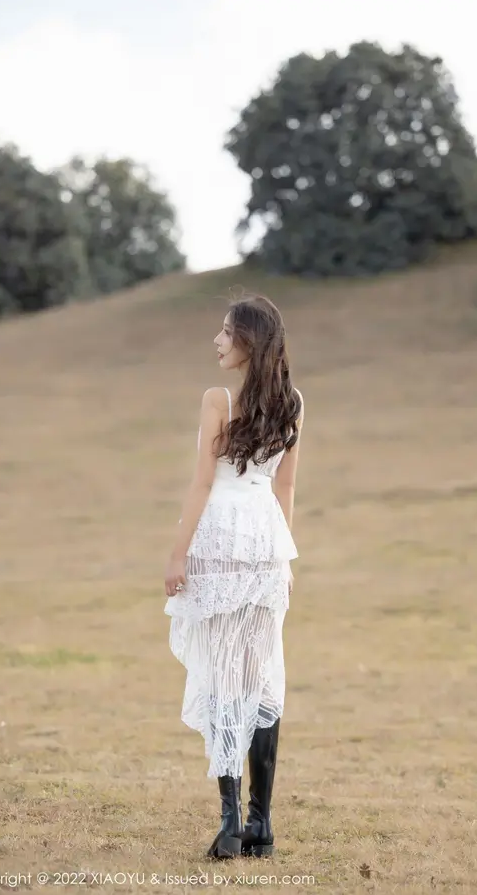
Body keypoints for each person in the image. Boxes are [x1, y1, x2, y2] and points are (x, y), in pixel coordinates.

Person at [164, 291, 304, 860]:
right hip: (267, 544)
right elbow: (285, 486)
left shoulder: (218, 399)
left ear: (249, 341)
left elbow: (203, 482)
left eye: (226, 332)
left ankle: (231, 824)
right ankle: (261, 826)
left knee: (226, 680)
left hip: (221, 541)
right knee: (260, 677)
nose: (218, 341)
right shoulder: (293, 401)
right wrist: (284, 558)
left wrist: (177, 555)